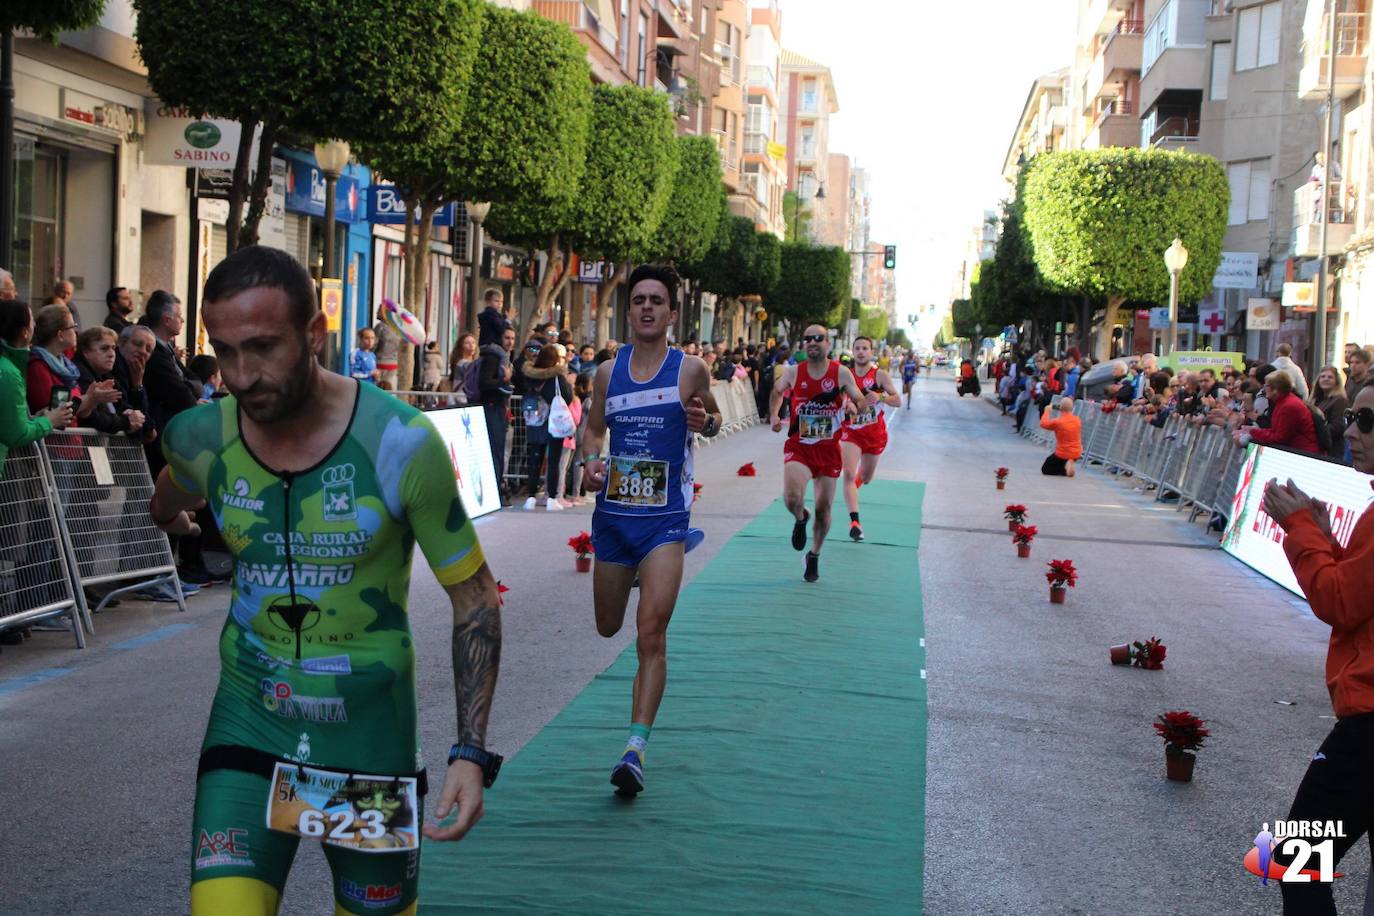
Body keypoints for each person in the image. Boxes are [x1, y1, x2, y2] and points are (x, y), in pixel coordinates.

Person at [148, 246, 504, 916]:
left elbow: (476, 600)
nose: (242, 376)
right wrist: (171, 511)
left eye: (262, 347)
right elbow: (174, 488)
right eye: (223, 352)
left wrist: (469, 754)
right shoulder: (199, 436)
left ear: (316, 336)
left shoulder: (400, 443)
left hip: (365, 747)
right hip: (249, 730)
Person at [581, 264, 719, 796]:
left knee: (650, 634)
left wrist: (703, 423)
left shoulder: (691, 370)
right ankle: (637, 577)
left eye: (656, 301)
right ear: (628, 308)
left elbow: (711, 418)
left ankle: (634, 750)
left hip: (666, 520)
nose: (645, 307)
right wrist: (591, 462)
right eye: (638, 299)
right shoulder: (605, 374)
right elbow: (593, 431)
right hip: (615, 519)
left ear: (670, 312)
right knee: (607, 626)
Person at [1261, 383, 1374, 913]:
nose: (1352, 431)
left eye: (1367, 420)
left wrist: (1301, 528)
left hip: (1369, 729)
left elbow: (1339, 602)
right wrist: (1324, 537)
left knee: (1292, 861)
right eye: (1353, 415)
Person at [769, 324, 876, 583]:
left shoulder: (840, 373)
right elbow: (777, 390)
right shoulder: (794, 372)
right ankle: (800, 516)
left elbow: (859, 399)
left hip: (828, 450)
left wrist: (856, 407)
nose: (812, 342)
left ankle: (814, 554)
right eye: (808, 339)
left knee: (824, 508)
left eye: (818, 338)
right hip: (800, 446)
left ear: (828, 343)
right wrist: (774, 414)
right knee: (792, 498)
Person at [839, 336, 901, 542]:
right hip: (852, 431)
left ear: (871, 352)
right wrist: (844, 405)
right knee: (848, 474)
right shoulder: (844, 375)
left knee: (865, 477)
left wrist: (880, 397)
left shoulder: (880, 375)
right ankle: (855, 523)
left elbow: (898, 400)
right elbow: (835, 399)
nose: (861, 352)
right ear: (853, 351)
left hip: (874, 434)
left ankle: (855, 488)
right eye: (857, 348)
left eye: (865, 348)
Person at [0, 298, 73, 466]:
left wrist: (32, 419)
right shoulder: (9, 372)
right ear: (25, 332)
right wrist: (50, 421)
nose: (35, 326)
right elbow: (17, 433)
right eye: (32, 320)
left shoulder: (9, 367)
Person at [26, 305, 122, 426]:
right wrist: (90, 398)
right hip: (54, 441)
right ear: (60, 335)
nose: (76, 331)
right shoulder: (38, 366)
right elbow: (55, 412)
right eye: (73, 326)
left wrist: (91, 401)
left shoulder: (67, 365)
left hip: (72, 440)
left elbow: (82, 414)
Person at [519, 343, 572, 511]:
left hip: (534, 422)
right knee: (554, 461)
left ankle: (531, 498)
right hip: (553, 423)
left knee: (534, 460)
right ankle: (552, 499)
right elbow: (567, 398)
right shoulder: (557, 377)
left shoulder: (529, 376)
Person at [74, 327, 147, 436]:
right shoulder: (80, 374)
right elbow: (91, 417)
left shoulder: (106, 376)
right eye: (104, 349)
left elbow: (126, 408)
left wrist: (132, 415)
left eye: (113, 348)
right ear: (86, 352)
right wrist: (125, 422)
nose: (111, 354)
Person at [1235, 370, 1320, 454]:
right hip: (1298, 451)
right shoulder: (1282, 401)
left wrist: (1252, 432)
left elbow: (1279, 438)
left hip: (1303, 454)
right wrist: (1252, 430)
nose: (1264, 389)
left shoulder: (1288, 406)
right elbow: (1274, 431)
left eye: (1266, 386)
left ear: (1275, 389)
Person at [1309, 365, 1348, 462]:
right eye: (1323, 376)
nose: (1326, 379)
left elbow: (1338, 425)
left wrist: (1315, 432)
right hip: (1315, 446)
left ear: (1336, 381)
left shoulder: (1340, 400)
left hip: (1331, 449)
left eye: (1330, 377)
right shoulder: (1314, 399)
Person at [1038, 396, 1083, 476]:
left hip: (1063, 452)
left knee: (1046, 469)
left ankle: (1064, 469)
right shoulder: (1077, 420)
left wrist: (1047, 411)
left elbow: (1043, 424)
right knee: (1059, 461)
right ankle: (1069, 462)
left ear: (1060, 407)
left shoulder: (1058, 422)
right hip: (1077, 451)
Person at [372, 311, 401, 390]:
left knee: (377, 388)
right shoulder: (398, 328)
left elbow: (373, 344)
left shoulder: (380, 327)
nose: (377, 312)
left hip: (380, 362)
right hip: (393, 364)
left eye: (379, 310)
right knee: (387, 388)